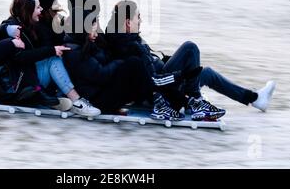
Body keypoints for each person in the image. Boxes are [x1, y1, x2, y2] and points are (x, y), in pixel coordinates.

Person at [105, 0, 276, 114]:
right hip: (162, 91)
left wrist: (168, 63)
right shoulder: (128, 45)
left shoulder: (130, 38)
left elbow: (151, 63)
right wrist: (181, 75)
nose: (141, 21)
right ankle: (195, 100)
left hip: (165, 81)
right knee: (190, 48)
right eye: (138, 17)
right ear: (127, 22)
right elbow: (152, 78)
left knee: (206, 73)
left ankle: (255, 99)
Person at [63, 7, 202, 121]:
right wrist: (120, 62)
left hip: (104, 92)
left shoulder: (87, 43)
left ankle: (177, 101)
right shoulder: (75, 51)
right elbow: (100, 75)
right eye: (93, 25)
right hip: (97, 101)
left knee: (136, 67)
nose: (96, 29)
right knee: (133, 64)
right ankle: (177, 101)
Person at [2, 0, 101, 116]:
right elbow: (20, 57)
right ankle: (76, 101)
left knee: (57, 55)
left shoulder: (30, 25)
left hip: (29, 77)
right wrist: (51, 50)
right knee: (52, 59)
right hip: (17, 84)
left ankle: (57, 97)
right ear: (28, 9)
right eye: (38, 7)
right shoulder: (13, 28)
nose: (42, 10)